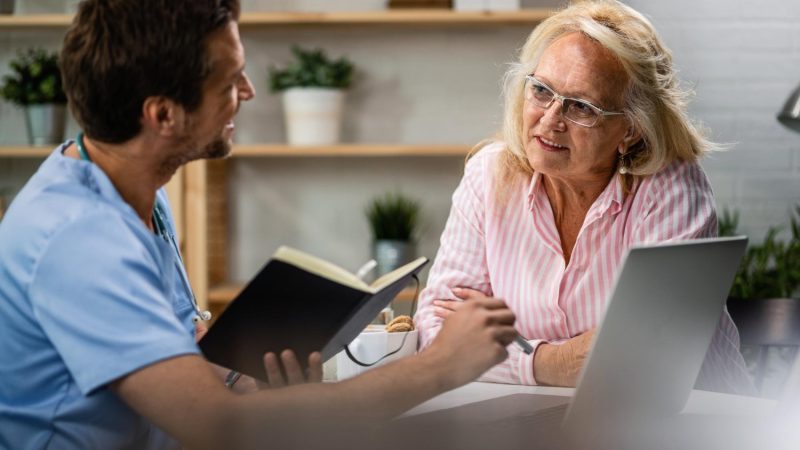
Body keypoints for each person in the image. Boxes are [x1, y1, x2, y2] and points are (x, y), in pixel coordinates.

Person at [0, 1, 520, 449]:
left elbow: (179, 339)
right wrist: (442, 366)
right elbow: (221, 428)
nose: (247, 92)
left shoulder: (132, 187)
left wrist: (240, 377)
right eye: (229, 81)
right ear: (162, 115)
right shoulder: (78, 238)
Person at [415, 0, 753, 394]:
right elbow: (438, 335)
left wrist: (501, 353)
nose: (550, 118)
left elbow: (648, 359)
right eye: (541, 90)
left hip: (699, 421)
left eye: (581, 107)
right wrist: (550, 363)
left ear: (632, 129)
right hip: (540, 420)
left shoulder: (669, 186)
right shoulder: (488, 175)